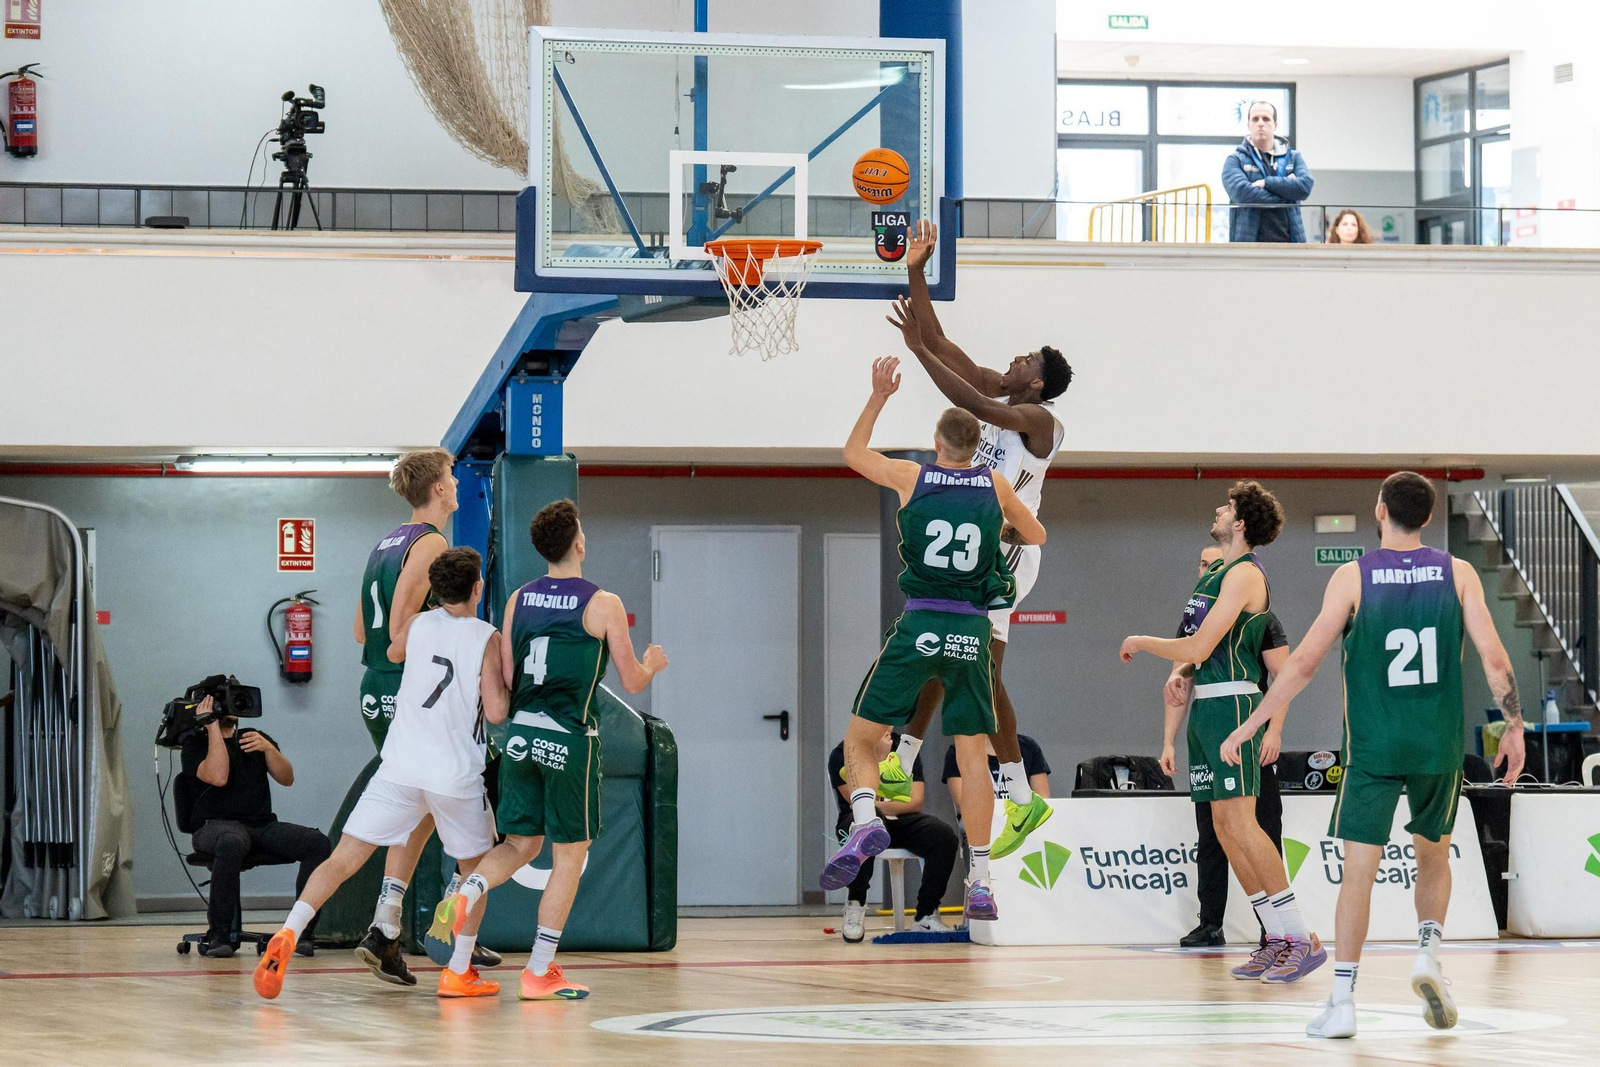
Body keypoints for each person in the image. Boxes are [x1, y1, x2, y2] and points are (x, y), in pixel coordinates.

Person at [1221, 472, 1528, 1039]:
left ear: (1380, 510)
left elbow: (1305, 661)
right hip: (1437, 744)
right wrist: (1513, 724)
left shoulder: (1351, 577)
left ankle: (1342, 1001)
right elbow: (1493, 655)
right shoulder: (1457, 573)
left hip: (1374, 747)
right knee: (1433, 859)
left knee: (1358, 874)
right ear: (1429, 518)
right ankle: (1428, 955)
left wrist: (1253, 723)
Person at [822, 356, 1046, 922]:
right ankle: (981, 877)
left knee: (861, 737)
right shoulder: (994, 483)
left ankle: (869, 820)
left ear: (936, 443)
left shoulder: (913, 477)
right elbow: (1039, 533)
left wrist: (877, 396)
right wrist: (1003, 524)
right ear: (976, 446)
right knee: (973, 756)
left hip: (921, 621)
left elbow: (852, 455)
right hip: (972, 627)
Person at [429, 499, 667, 1002]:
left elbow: (510, 679)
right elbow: (630, 681)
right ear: (579, 542)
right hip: (568, 738)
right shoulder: (602, 603)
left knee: (517, 846)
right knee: (568, 857)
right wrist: (652, 664)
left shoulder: (517, 598)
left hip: (518, 737)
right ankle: (539, 971)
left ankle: (466, 895)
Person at [883, 242, 1073, 862]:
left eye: (1024, 359)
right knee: (949, 649)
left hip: (1011, 554)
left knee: (980, 669)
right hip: (983, 549)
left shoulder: (1041, 424)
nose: (1011, 360)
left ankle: (1018, 792)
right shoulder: (1002, 394)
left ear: (1036, 382)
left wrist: (915, 352)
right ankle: (907, 756)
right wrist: (914, 271)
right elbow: (942, 344)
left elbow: (973, 402)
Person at [255, 548, 508, 1001]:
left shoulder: (419, 624)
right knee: (474, 868)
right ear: (477, 588)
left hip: (400, 767)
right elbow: (495, 709)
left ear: (436, 590)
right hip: (453, 774)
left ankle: (289, 932)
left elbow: (393, 650)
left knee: (342, 859)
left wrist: (416, 613)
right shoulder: (487, 637)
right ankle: (460, 969)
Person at [1120, 481, 1325, 983]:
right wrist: (1181, 676)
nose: (1218, 508)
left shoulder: (1245, 575)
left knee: (1246, 825)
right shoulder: (1216, 573)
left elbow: (1201, 644)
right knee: (1226, 829)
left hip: (1234, 703)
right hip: (1207, 710)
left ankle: (1301, 937)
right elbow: (1197, 654)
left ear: (1240, 523)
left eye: (1227, 505)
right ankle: (1275, 935)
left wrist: (1144, 642)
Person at [352, 448, 499, 983]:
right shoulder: (431, 541)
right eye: (453, 478)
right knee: (428, 806)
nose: (458, 484)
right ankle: (430, 929)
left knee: (419, 812)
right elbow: (397, 633)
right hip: (401, 685)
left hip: (376, 685)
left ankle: (394, 927)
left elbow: (358, 631)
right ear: (438, 488)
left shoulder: (384, 542)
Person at [1164, 543, 1286, 948]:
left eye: (1214, 564)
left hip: (1243, 721)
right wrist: (1169, 741)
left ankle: (1287, 933)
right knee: (1219, 830)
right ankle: (1214, 923)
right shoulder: (1197, 615)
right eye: (1201, 563)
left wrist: (1272, 731)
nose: (1206, 570)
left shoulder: (1254, 601)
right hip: (1209, 720)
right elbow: (1182, 678)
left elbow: (1285, 677)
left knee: (1254, 828)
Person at [182, 697, 330, 958]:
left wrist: (269, 749)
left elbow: (287, 778)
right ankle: (220, 935)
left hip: (260, 825)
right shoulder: (194, 743)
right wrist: (212, 727)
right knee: (232, 841)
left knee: (317, 842)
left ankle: (302, 932)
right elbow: (218, 776)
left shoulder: (255, 737)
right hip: (213, 827)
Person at [829, 730, 959, 942]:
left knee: (943, 836)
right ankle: (855, 903)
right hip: (857, 821)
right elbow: (858, 802)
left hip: (902, 821)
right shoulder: (844, 751)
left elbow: (915, 802)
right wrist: (879, 758)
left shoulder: (905, 748)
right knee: (869, 825)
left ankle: (926, 914)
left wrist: (878, 803)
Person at [1222, 101, 1314, 244]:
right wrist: (1287, 194)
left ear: (1275, 125)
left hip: (1291, 246)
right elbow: (1242, 194)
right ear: (1248, 125)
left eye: (1266, 119)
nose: (1260, 123)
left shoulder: (1294, 158)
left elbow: (1305, 186)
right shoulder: (1235, 160)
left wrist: (1267, 183)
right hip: (1249, 248)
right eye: (1255, 119)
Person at [942, 733, 1051, 818]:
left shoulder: (1028, 747)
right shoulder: (958, 750)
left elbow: (1042, 798)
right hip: (980, 822)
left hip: (1024, 820)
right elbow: (962, 805)